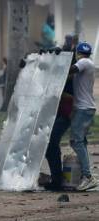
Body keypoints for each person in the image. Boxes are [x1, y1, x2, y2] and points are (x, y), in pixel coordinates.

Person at [44, 35, 78, 191]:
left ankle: (58, 181)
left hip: (66, 114)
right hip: (57, 112)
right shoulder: (59, 72)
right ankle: (56, 179)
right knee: (50, 145)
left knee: (51, 144)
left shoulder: (71, 73)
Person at [67, 42, 98, 191]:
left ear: (78, 53)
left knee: (76, 141)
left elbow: (71, 69)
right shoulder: (89, 62)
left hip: (83, 109)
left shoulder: (84, 62)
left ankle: (88, 176)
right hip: (85, 108)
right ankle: (86, 173)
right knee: (80, 142)